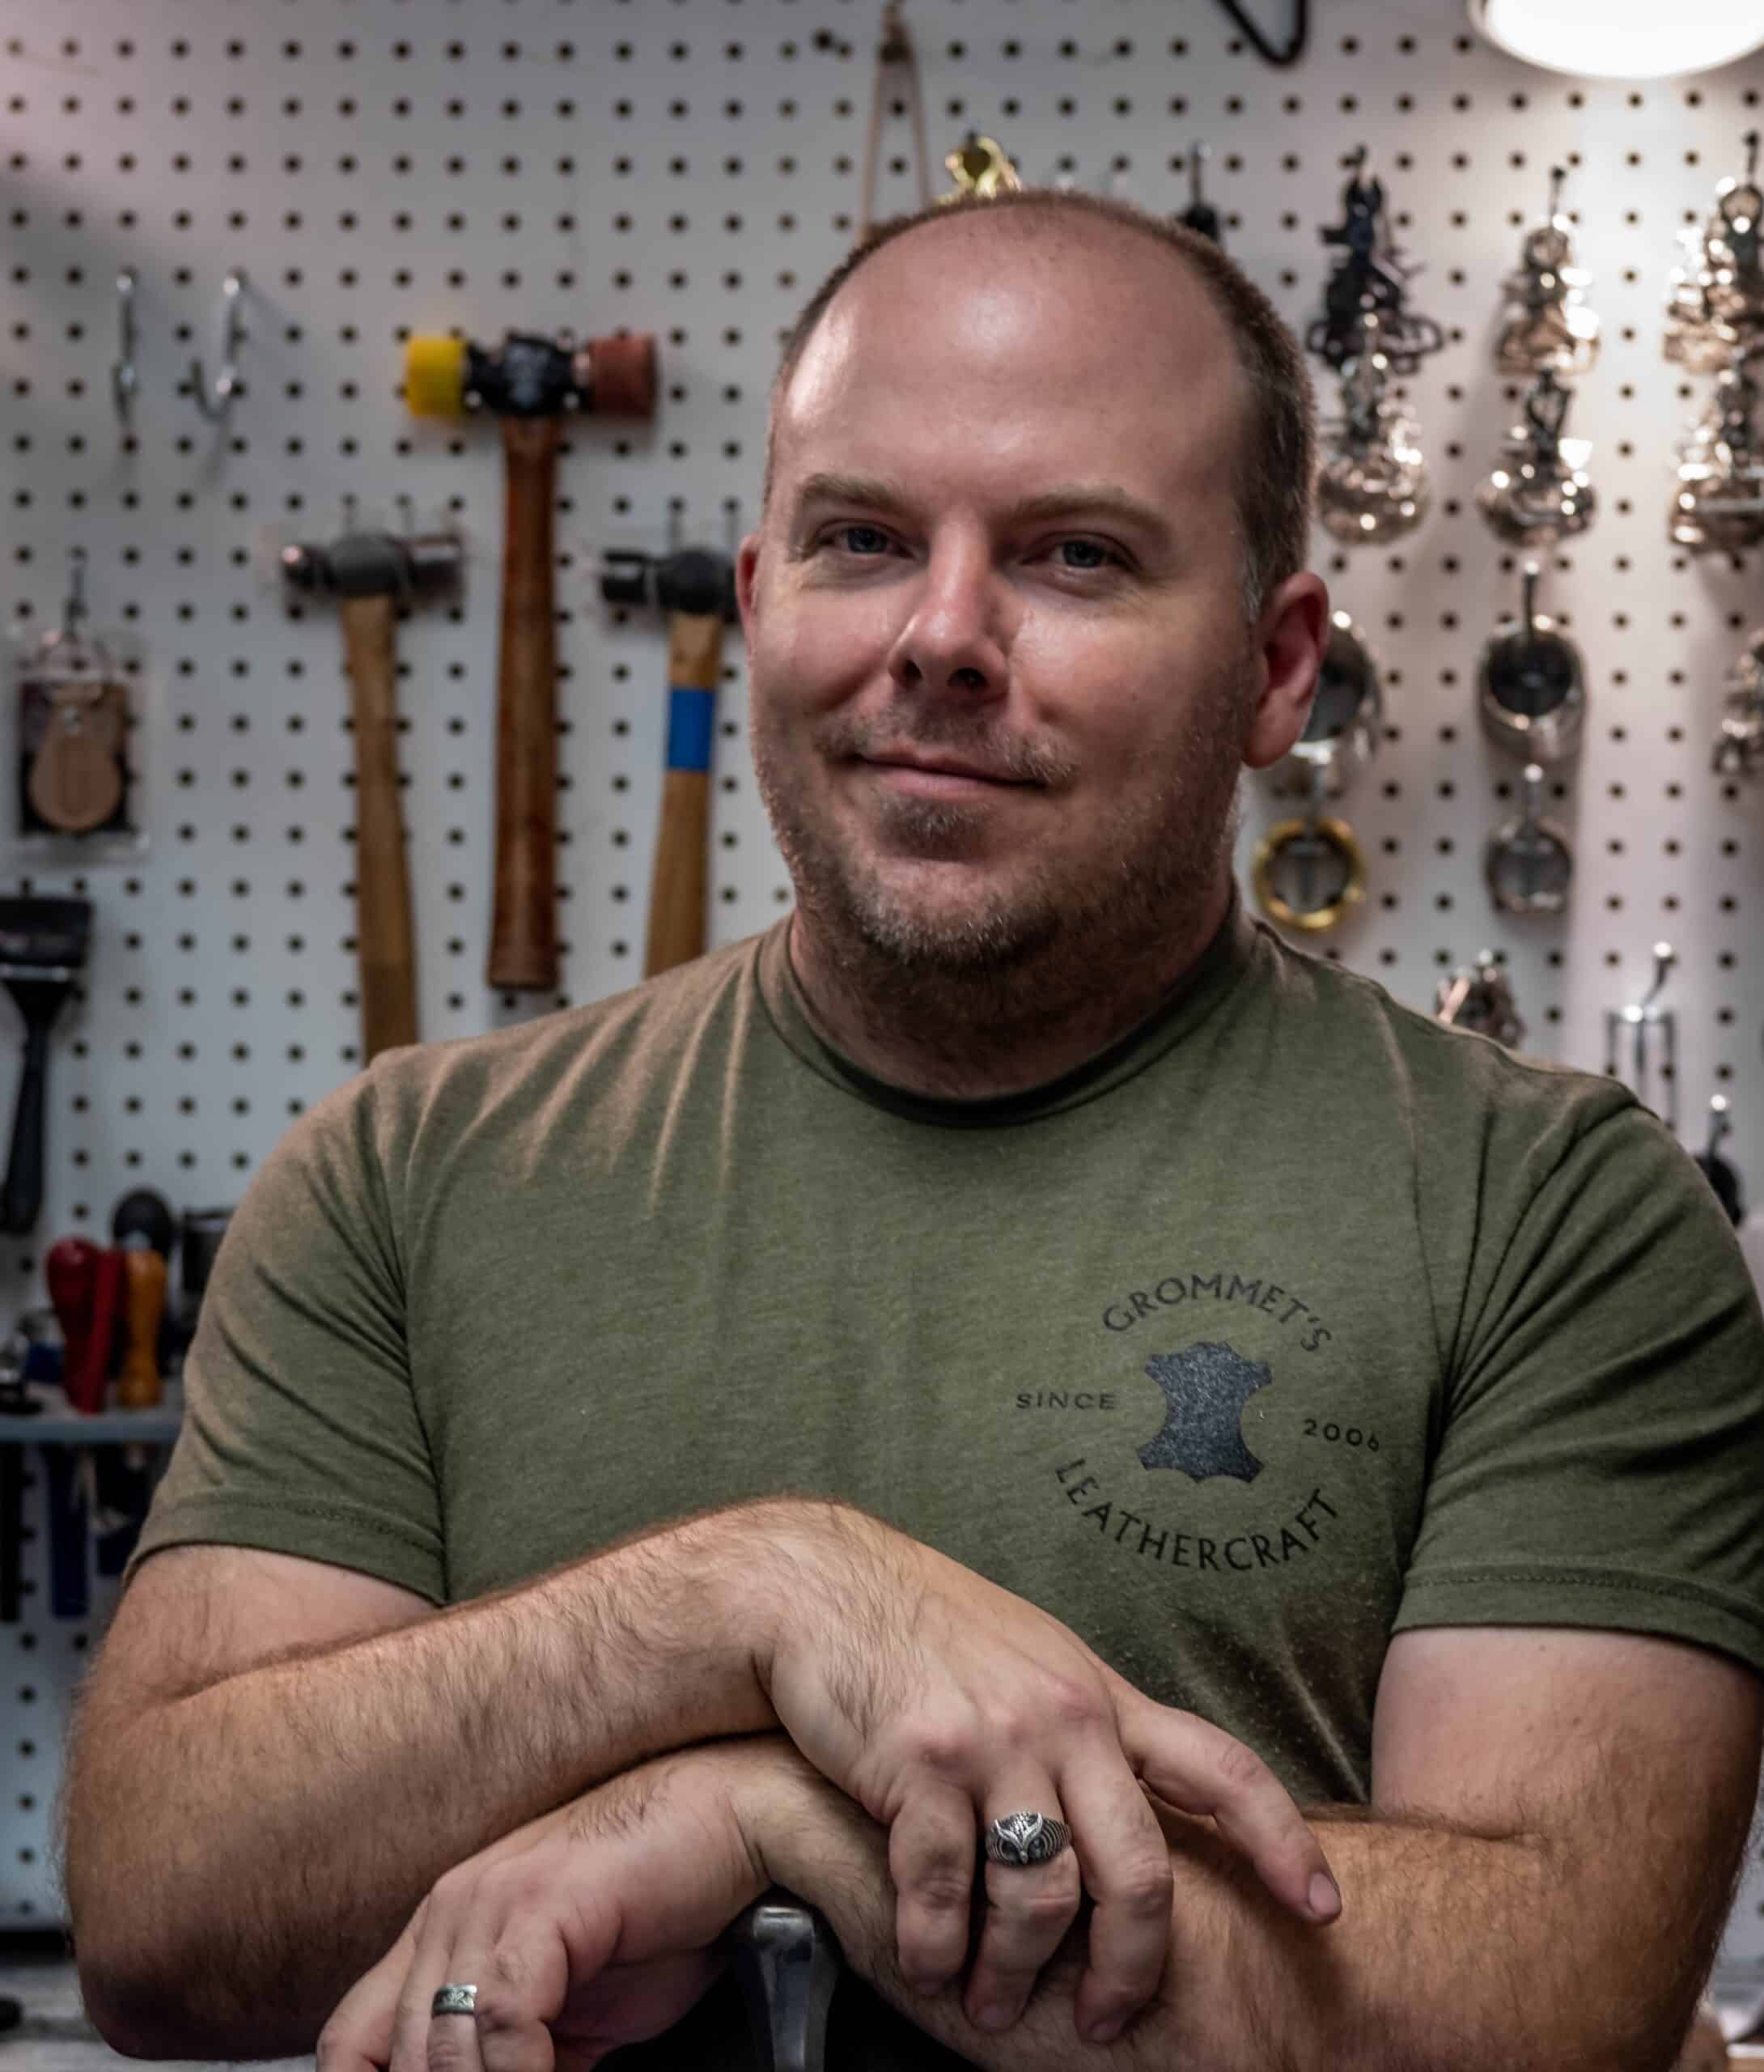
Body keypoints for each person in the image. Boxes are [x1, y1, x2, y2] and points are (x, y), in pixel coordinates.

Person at [57, 188, 1764, 2072]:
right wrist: (755, 1597)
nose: (943, 634)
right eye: (863, 537)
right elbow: (160, 1910)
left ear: (1281, 664)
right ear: (760, 595)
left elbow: (1551, 1996)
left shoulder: (1547, 1211)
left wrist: (767, 1822)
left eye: (1076, 557)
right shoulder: (407, 1175)